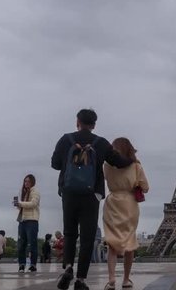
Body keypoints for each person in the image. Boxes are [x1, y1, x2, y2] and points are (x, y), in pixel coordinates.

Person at [52, 109, 135, 290]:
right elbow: (118, 162)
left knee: (69, 233)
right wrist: (132, 160)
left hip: (69, 193)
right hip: (91, 195)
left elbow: (55, 164)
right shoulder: (101, 143)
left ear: (77, 122)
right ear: (94, 125)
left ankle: (68, 267)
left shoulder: (66, 139)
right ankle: (81, 279)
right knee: (88, 237)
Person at [102, 137, 149, 290]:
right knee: (129, 243)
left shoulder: (107, 165)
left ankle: (111, 279)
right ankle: (126, 280)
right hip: (129, 204)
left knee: (112, 244)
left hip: (112, 202)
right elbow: (145, 187)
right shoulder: (136, 166)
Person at [14, 174, 40, 273]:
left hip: (32, 220)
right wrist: (17, 204)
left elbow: (33, 204)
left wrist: (20, 203)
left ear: (32, 182)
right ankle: (21, 264)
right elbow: (23, 206)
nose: (26, 183)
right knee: (21, 244)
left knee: (32, 243)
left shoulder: (35, 191)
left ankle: (33, 264)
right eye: (25, 181)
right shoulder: (24, 193)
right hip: (23, 220)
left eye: (28, 181)